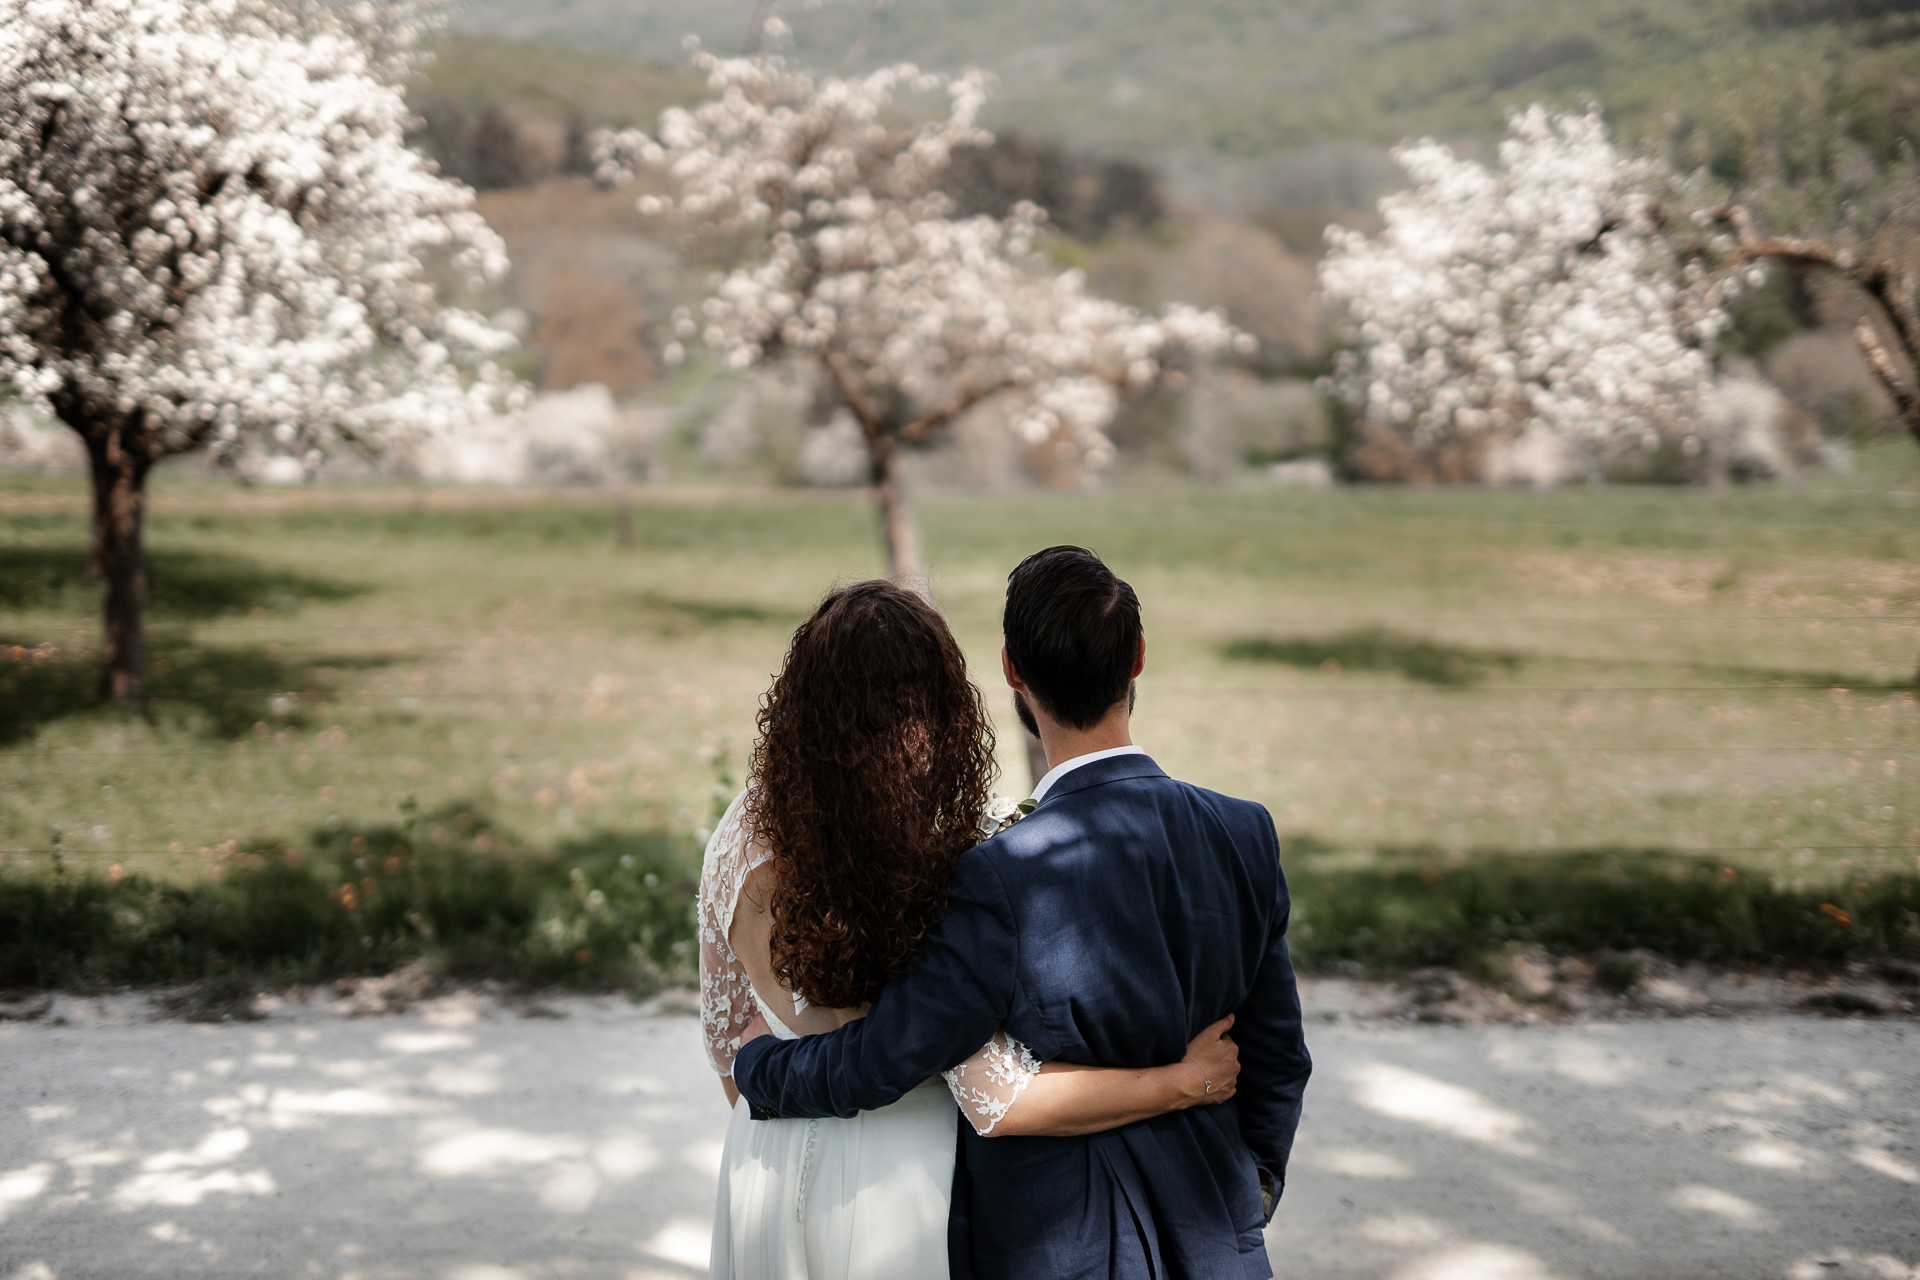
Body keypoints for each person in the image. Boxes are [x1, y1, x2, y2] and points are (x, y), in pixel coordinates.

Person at [733, 547, 1312, 1280]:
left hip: (1059, 1247)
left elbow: (886, 1056)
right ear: (1136, 658)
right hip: (1213, 1232)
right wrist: (1253, 1189)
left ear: (1012, 670)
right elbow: (1279, 1052)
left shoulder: (1000, 876)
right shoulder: (1243, 832)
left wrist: (761, 1065)